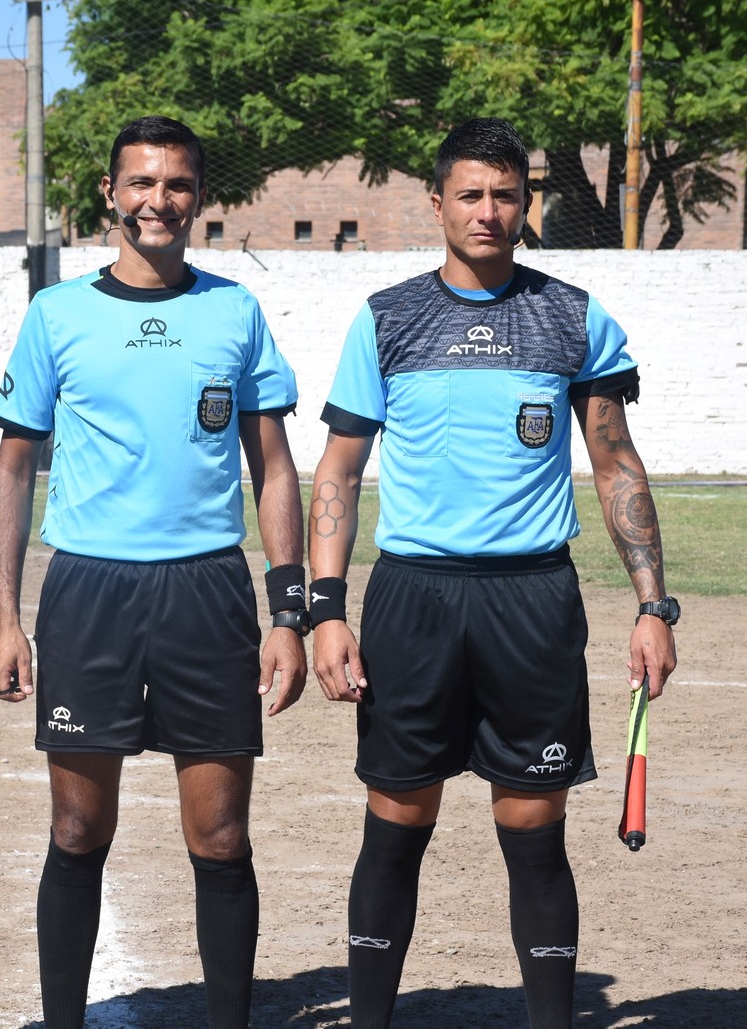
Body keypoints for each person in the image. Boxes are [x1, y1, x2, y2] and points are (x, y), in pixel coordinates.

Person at [307, 118, 679, 1029]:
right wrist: (324, 611)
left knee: (534, 836)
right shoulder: (387, 317)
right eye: (469, 194)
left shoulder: (574, 315)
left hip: (531, 599)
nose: (488, 211)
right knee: (394, 829)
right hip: (413, 601)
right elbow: (337, 473)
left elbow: (615, 463)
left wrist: (652, 606)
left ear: (527, 204)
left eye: (505, 195)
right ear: (436, 203)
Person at [0, 115, 308, 1029]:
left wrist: (288, 611)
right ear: (109, 195)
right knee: (78, 831)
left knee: (220, 835)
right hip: (90, 593)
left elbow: (273, 467)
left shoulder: (234, 311)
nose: (157, 200)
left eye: (175, 184)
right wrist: (3, 614)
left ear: (198, 196)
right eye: (140, 183)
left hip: (207, 593)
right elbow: (11, 469)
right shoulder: (58, 315)